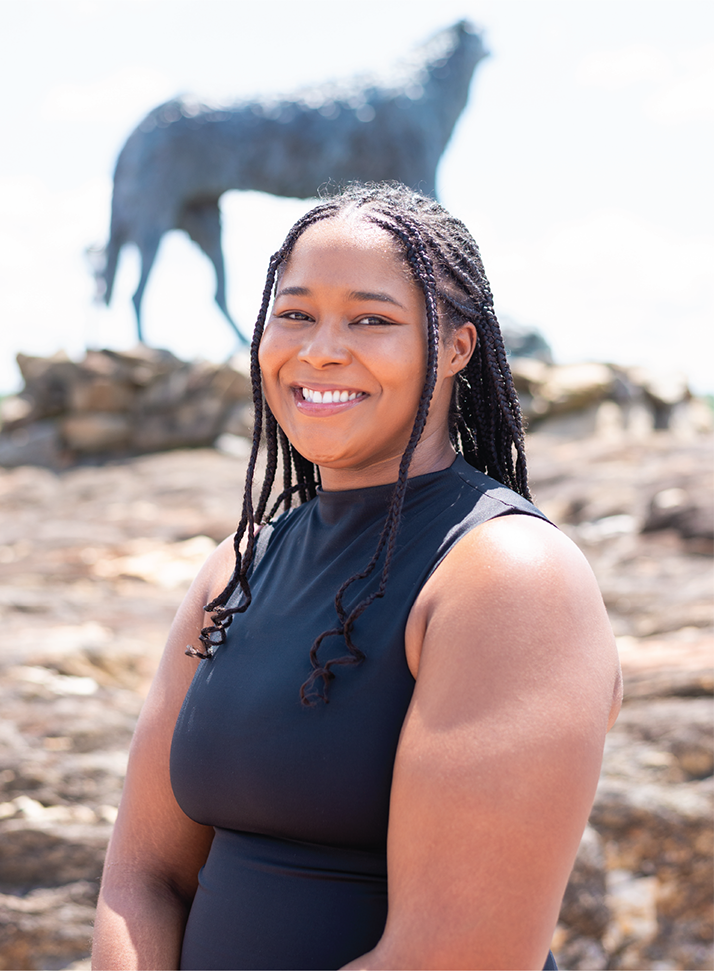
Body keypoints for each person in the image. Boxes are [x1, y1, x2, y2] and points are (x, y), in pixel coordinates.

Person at [91, 183, 622, 971]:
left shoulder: (506, 576)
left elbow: (457, 955)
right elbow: (142, 879)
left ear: (455, 348)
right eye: (295, 313)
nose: (321, 350)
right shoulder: (236, 570)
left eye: (370, 319)